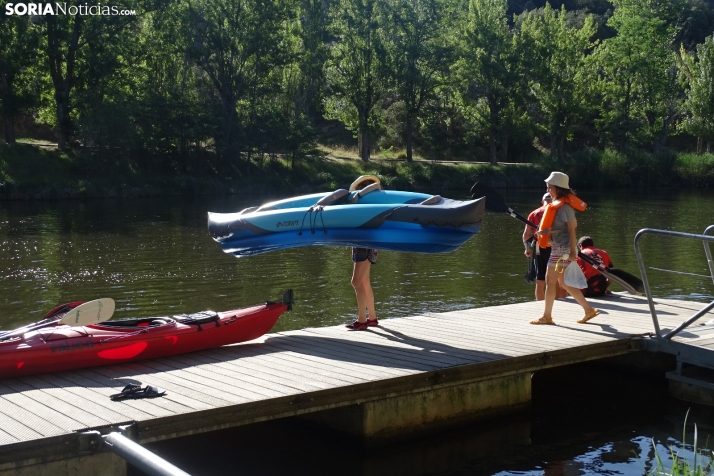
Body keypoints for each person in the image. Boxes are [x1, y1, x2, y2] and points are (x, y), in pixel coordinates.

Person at [530, 172, 600, 325]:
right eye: (547, 187)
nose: (548, 190)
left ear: (559, 188)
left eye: (550, 187)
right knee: (564, 283)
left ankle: (546, 317)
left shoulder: (565, 208)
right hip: (559, 248)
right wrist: (548, 233)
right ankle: (589, 310)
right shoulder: (557, 205)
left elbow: (571, 230)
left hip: (563, 250)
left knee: (550, 281)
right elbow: (561, 230)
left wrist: (574, 252)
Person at [345, 175, 381, 330]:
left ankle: (361, 320)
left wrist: (359, 194)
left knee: (356, 282)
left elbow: (377, 186)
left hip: (365, 244)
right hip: (364, 243)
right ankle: (372, 318)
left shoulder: (372, 198)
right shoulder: (363, 204)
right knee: (364, 282)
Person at [523, 192, 568, 301]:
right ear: (553, 201)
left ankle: (540, 304)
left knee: (540, 279)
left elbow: (525, 236)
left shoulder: (533, 213)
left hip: (540, 247)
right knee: (556, 278)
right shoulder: (557, 211)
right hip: (556, 247)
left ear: (542, 201)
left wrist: (527, 249)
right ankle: (558, 302)